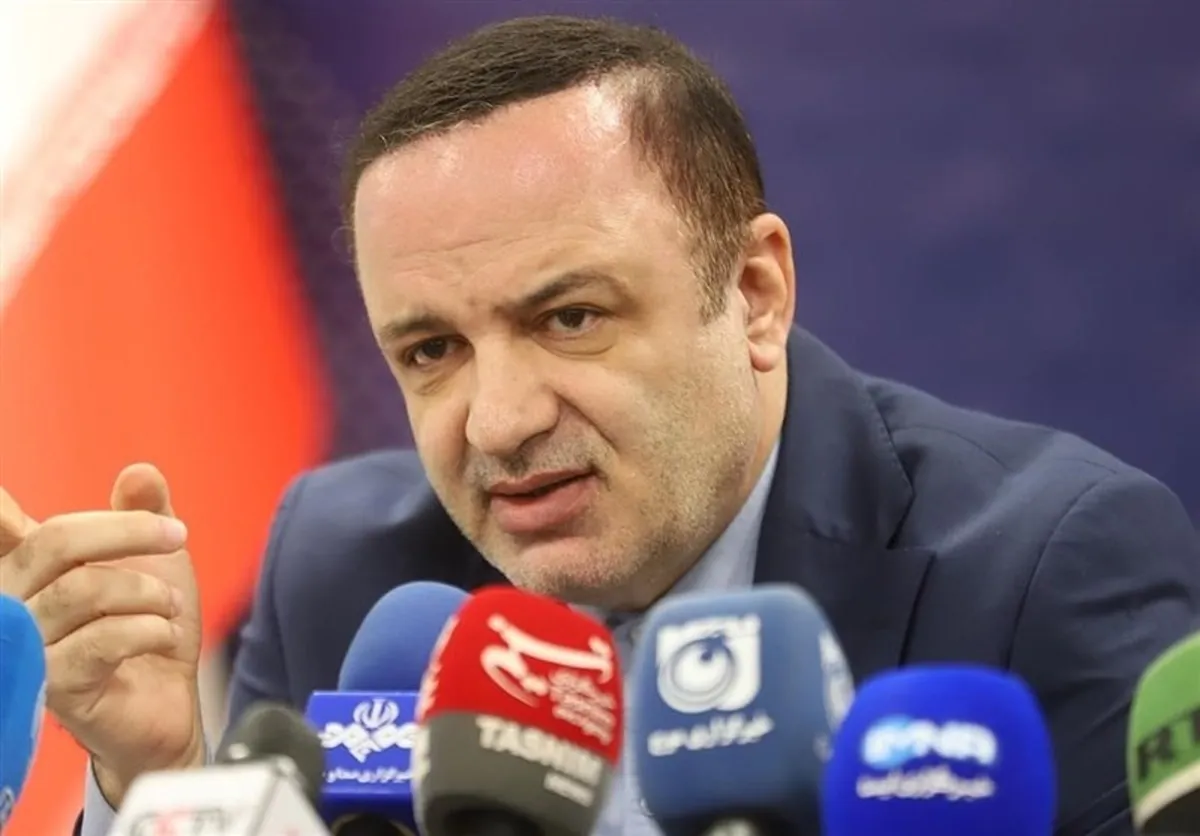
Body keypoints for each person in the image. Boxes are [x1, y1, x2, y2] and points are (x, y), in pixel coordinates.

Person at [0, 15, 1194, 836]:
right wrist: (155, 769)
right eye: (431, 351)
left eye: (570, 318)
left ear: (755, 293)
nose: (500, 420)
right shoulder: (347, 571)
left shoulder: (1046, 568)